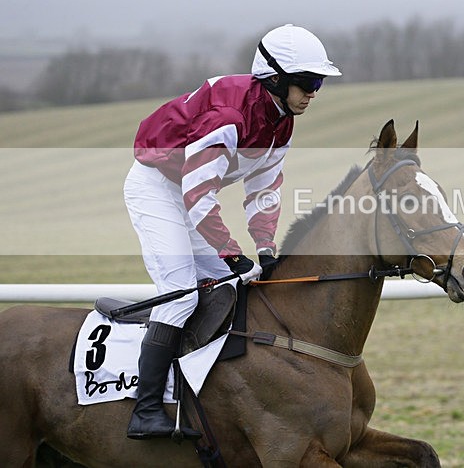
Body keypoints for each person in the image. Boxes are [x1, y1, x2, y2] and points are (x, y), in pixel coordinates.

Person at [123, 24, 341, 440]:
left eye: (320, 83)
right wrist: (230, 250)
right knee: (183, 291)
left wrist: (265, 247)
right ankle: (145, 409)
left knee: (231, 285)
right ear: (275, 79)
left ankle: (208, 392)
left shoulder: (282, 121)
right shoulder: (229, 117)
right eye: (309, 82)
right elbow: (199, 192)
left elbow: (265, 187)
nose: (314, 92)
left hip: (189, 190)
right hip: (157, 186)